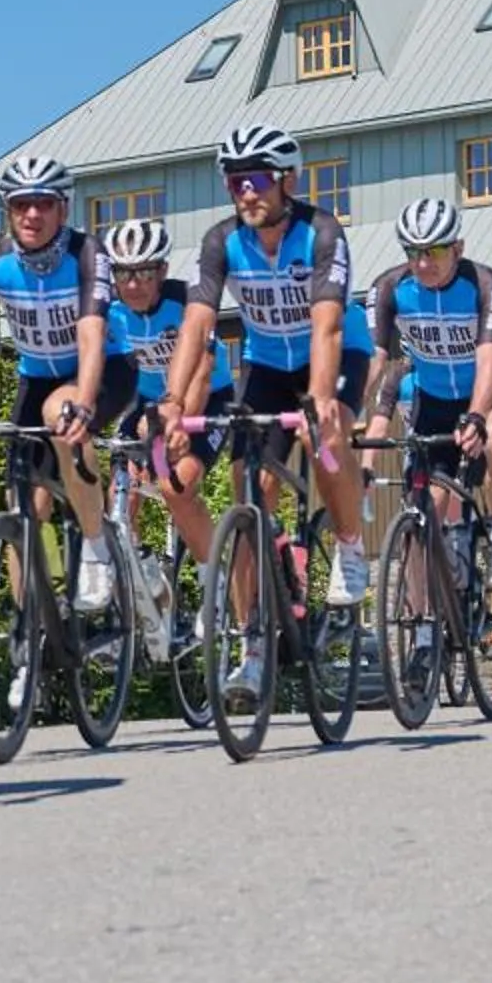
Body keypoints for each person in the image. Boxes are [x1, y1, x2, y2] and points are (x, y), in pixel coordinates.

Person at [170, 123, 374, 651]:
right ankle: (251, 641)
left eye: (257, 179)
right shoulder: (220, 242)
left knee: (323, 439)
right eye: (234, 182)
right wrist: (172, 402)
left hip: (333, 355)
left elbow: (327, 324)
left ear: (287, 179)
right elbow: (196, 325)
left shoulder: (322, 232)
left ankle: (351, 545)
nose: (246, 192)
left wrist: (323, 398)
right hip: (265, 365)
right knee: (248, 498)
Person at [0, 154, 115, 611]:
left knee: (61, 414)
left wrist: (85, 403)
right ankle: (31, 626)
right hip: (34, 377)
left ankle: (96, 550)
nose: (32, 214)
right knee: (21, 505)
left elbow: (91, 336)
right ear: (8, 211)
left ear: (62, 210)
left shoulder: (87, 253)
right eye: (21, 204)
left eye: (44, 204)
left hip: (98, 373)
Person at [365, 197, 492, 590]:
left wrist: (476, 416)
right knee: (422, 519)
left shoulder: (485, 285)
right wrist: (344, 409)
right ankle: (422, 633)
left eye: (433, 251)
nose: (422, 263)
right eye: (413, 252)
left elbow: (488, 361)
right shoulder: (390, 287)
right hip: (433, 400)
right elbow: (374, 358)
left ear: (458, 247)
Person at [96, 217, 228, 574]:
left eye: (144, 273)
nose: (133, 284)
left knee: (177, 488)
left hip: (208, 398)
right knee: (122, 486)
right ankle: (138, 576)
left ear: (163, 270)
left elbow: (202, 372)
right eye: (123, 274)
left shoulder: (187, 302)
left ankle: (210, 581)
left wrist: (181, 424)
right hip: (147, 402)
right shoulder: (110, 310)